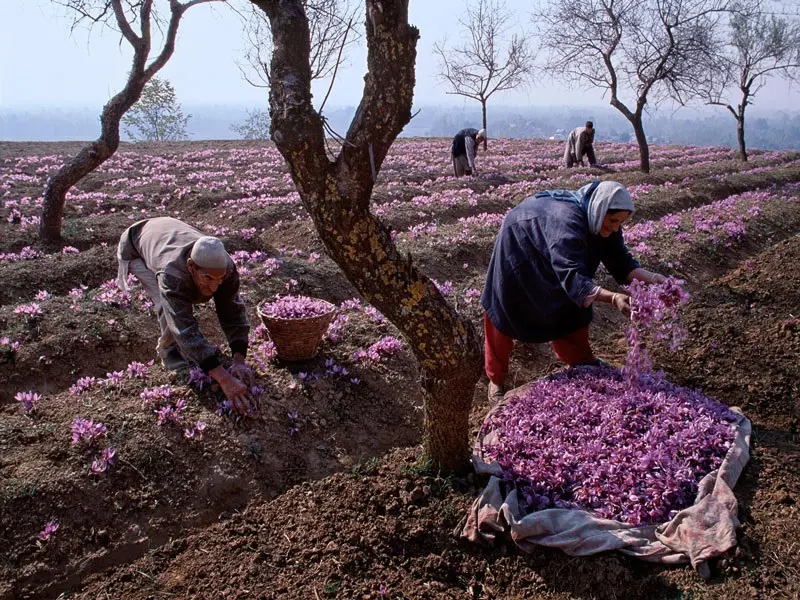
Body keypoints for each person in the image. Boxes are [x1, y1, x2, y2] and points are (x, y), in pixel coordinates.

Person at [480, 180, 667, 400]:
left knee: (570, 305)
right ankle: (496, 379)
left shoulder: (601, 219)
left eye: (621, 222)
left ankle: (580, 359)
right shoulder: (567, 222)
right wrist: (613, 298)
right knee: (505, 308)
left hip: (554, 246)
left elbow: (621, 262)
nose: (616, 227)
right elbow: (573, 277)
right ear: (601, 209)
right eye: (613, 221)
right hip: (520, 245)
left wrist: (654, 279)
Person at [117, 217, 256, 415]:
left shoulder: (227, 268)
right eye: (207, 278)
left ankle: (192, 353)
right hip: (136, 245)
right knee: (166, 304)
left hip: (168, 234)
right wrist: (224, 379)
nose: (214, 287)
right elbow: (182, 325)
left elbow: (232, 310)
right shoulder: (171, 272)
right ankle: (168, 351)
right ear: (191, 266)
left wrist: (239, 359)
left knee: (208, 293)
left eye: (219, 279)